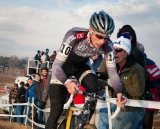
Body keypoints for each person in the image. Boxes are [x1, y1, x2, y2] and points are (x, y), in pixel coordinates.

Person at [45, 10, 127, 129]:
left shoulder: (108, 45)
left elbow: (113, 73)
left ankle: (84, 124)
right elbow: (56, 66)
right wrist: (67, 83)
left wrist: (119, 92)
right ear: (90, 30)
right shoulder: (73, 36)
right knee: (56, 111)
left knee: (93, 87)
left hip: (81, 66)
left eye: (106, 37)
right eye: (99, 36)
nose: (102, 41)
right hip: (63, 68)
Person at [114, 33, 145, 129]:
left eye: (119, 50)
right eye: (113, 50)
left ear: (126, 53)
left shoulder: (136, 69)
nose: (115, 53)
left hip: (133, 109)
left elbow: (139, 90)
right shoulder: (115, 68)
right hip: (121, 107)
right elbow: (110, 85)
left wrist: (118, 86)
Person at [137, 43, 160, 129]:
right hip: (145, 99)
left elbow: (157, 80)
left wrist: (143, 86)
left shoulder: (149, 64)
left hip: (149, 99)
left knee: (146, 123)